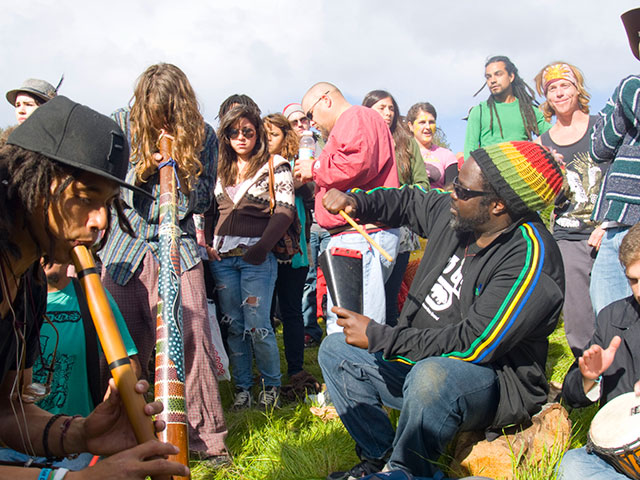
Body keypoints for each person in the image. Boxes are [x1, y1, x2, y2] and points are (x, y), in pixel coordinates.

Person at [318, 141, 564, 479]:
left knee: (432, 374)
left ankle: (409, 470)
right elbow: (409, 201)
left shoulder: (529, 256)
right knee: (336, 349)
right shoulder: (458, 217)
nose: (450, 192)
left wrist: (381, 337)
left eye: (462, 189)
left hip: (486, 382)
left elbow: (475, 343)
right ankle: (381, 455)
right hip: (421, 359)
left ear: (497, 206)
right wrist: (357, 201)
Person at [0, 95, 189, 479]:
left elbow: (5, 413)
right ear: (32, 184)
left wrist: (82, 433)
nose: (101, 220)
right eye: (86, 198)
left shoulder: (29, 287)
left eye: (108, 203)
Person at [99, 63, 228, 463]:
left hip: (179, 245)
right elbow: (107, 188)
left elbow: (204, 200)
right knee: (126, 343)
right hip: (126, 245)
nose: (162, 124)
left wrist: (178, 173)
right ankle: (128, 437)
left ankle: (206, 439)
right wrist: (143, 173)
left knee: (190, 335)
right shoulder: (118, 124)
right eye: (154, 117)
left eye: (169, 117)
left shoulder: (203, 134)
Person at [0, 261, 140, 470]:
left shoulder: (91, 296)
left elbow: (128, 362)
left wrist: (117, 397)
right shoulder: (14, 301)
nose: (43, 258)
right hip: (10, 446)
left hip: (75, 449)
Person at [294, 82, 400, 335]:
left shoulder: (356, 116)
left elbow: (358, 162)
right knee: (347, 322)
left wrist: (316, 168)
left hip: (361, 234)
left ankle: (361, 374)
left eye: (310, 114)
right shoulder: (356, 120)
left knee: (355, 325)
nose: (312, 123)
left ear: (325, 100)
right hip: (356, 235)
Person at [209, 105, 295, 410]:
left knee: (259, 325)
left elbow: (285, 210)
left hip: (256, 258)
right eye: (234, 131)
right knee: (233, 325)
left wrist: (261, 248)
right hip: (223, 260)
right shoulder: (219, 168)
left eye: (247, 130)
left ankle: (271, 386)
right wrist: (207, 243)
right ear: (226, 135)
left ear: (257, 132)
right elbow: (209, 210)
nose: (241, 137)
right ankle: (243, 388)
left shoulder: (276, 164)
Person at [558, 222, 640, 479]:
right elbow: (571, 395)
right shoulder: (613, 318)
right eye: (634, 280)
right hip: (624, 459)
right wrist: (588, 377)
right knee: (574, 464)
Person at [534, 62, 605, 357]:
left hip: (608, 229)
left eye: (565, 85)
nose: (559, 93)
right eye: (552, 88)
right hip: (568, 235)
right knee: (577, 313)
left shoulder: (602, 127)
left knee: (616, 303)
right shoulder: (542, 142)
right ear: (546, 97)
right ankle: (589, 378)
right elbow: (540, 196)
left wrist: (608, 224)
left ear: (578, 89)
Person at [362, 90, 429, 327]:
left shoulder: (407, 143)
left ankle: (390, 353)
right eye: (381, 108)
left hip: (400, 229)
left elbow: (422, 184)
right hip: (364, 230)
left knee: (390, 296)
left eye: (391, 108)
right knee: (368, 295)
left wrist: (399, 201)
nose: (388, 113)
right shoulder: (359, 141)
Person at [589, 7, 640, 316]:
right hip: (616, 221)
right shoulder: (630, 85)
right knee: (609, 315)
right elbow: (599, 147)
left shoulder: (628, 88)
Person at [263, 112, 313, 379]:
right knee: (265, 313)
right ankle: (267, 372)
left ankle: (295, 369)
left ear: (285, 136)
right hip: (264, 250)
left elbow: (311, 191)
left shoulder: (298, 163)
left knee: (292, 310)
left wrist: (298, 184)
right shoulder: (254, 164)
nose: (268, 139)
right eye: (266, 134)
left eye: (274, 134)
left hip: (294, 250)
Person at [283, 101, 329, 347]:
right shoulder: (284, 150)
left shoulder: (323, 144)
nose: (301, 124)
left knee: (332, 277)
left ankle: (335, 331)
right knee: (308, 279)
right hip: (304, 225)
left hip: (329, 220)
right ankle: (308, 329)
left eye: (304, 119)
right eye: (294, 121)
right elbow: (293, 184)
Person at [464, 55, 550, 159]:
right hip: (488, 172)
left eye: (498, 74)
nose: (492, 80)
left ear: (511, 77)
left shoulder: (529, 111)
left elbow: (554, 136)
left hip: (523, 171)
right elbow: (469, 152)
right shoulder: (479, 111)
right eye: (488, 77)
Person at [406, 101, 457, 190]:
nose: (428, 127)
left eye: (431, 122)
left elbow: (452, 191)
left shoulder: (447, 155)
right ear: (410, 126)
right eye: (422, 122)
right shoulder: (403, 153)